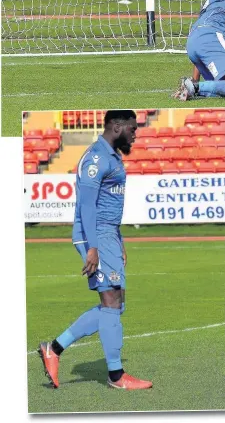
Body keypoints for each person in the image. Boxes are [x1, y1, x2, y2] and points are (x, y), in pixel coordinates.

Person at [38, 110, 153, 391]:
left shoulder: (112, 155)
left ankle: (53, 349)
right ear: (116, 127)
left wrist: (118, 238)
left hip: (107, 234)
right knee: (112, 304)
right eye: (132, 128)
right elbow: (88, 207)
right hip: (95, 236)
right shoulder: (96, 159)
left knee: (114, 304)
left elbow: (107, 206)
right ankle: (116, 376)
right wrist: (93, 247)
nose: (135, 133)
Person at [174, 0, 225, 101]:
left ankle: (193, 88)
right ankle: (195, 87)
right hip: (210, 36)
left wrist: (194, 80)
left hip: (196, 39)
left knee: (218, 88)